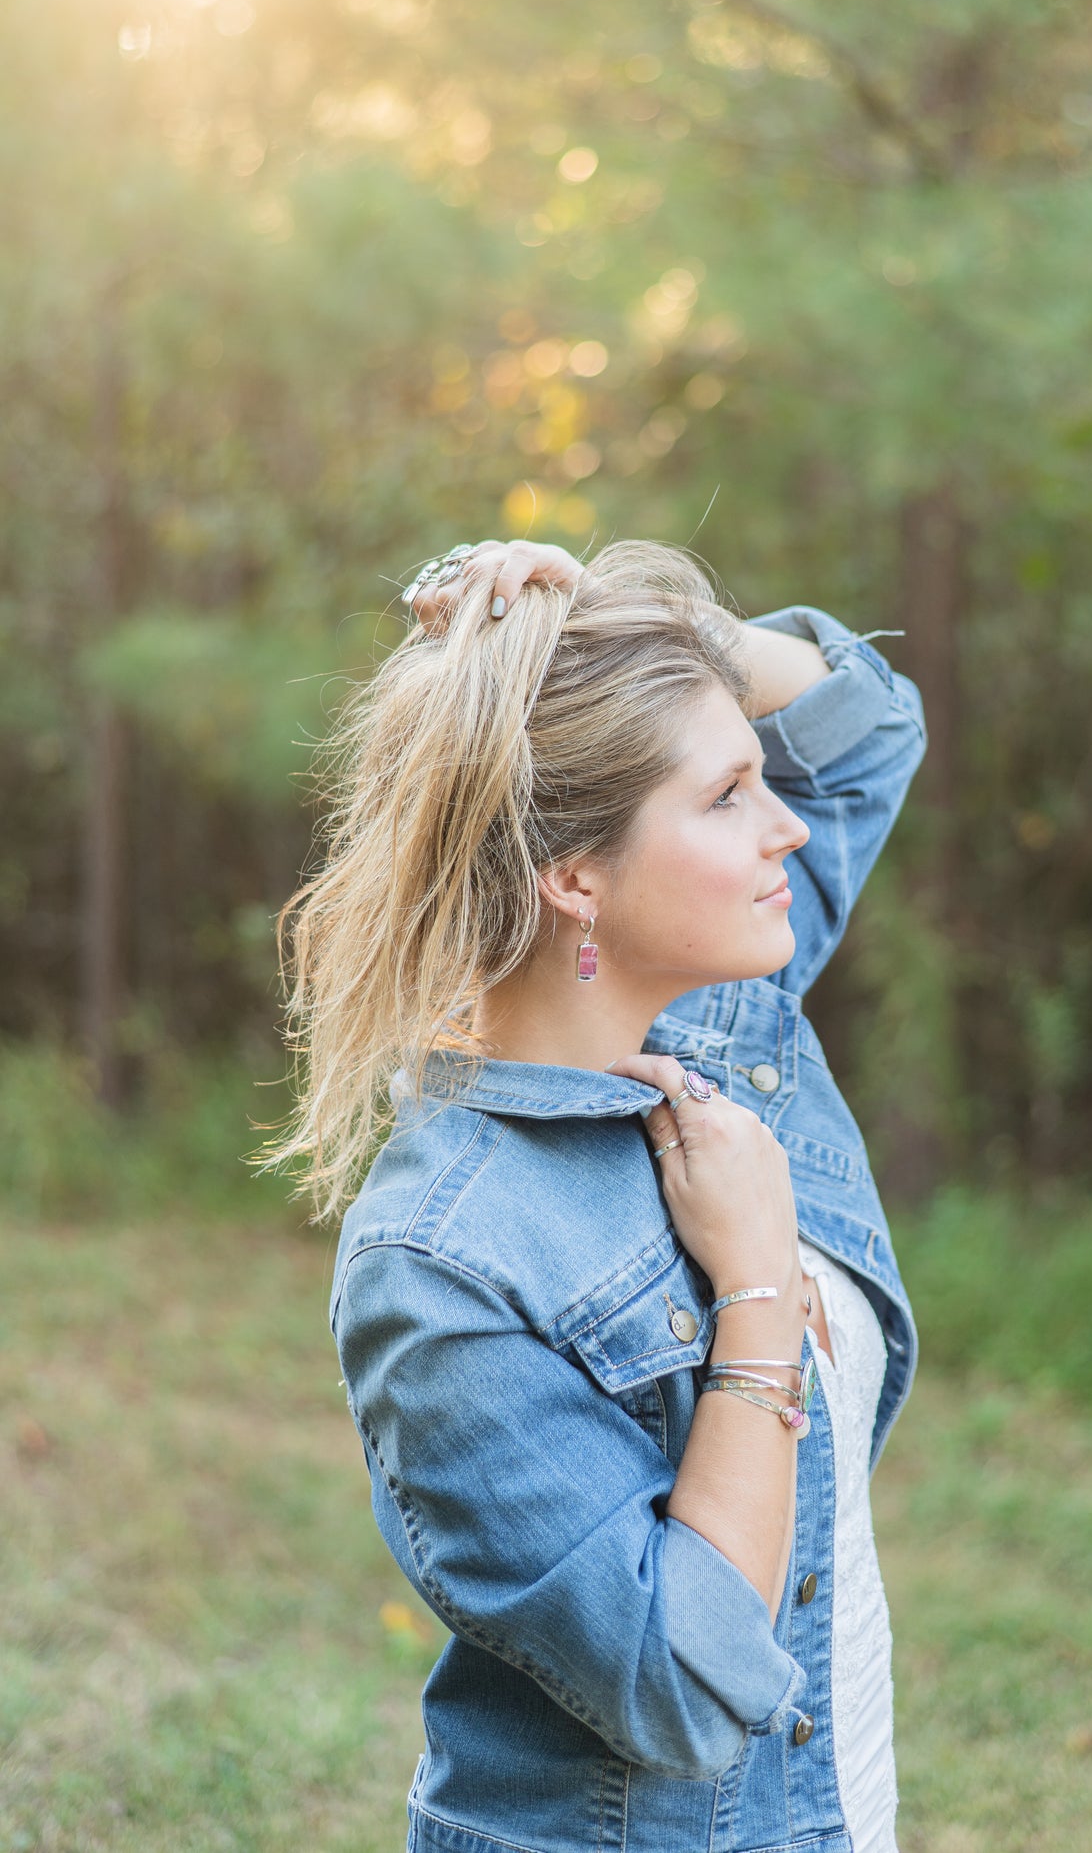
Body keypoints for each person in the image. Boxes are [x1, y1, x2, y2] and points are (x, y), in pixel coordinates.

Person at [269, 534, 927, 1853]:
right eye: (729, 793)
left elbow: (864, 731)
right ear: (573, 876)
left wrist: (659, 625)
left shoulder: (720, 1019)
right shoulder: (449, 1260)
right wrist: (752, 1291)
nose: (785, 826)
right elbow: (683, 1689)